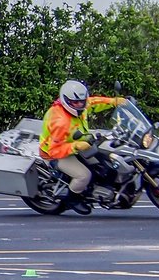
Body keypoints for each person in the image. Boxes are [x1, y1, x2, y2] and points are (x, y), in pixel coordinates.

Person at [39, 80, 125, 216]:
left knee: (105, 160)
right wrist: (76, 146)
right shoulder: (60, 121)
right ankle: (72, 199)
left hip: (78, 142)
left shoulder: (81, 105)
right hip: (55, 153)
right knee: (83, 175)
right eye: (75, 102)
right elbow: (54, 150)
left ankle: (101, 189)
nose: (80, 104)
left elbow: (93, 102)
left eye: (81, 101)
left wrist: (113, 102)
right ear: (66, 100)